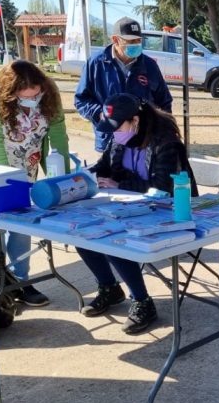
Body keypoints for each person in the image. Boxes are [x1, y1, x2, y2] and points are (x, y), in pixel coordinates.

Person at [76, 93, 193, 334]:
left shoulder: (166, 142)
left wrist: (119, 185)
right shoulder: (120, 139)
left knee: (115, 241)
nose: (114, 133)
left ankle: (142, 301)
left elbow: (162, 187)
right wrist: (85, 176)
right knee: (81, 234)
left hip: (166, 211)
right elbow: (103, 167)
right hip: (129, 208)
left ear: (135, 120)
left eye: (117, 127)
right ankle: (109, 288)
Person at [0, 59, 71, 307]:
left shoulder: (49, 89)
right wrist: (3, 182)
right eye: (25, 97)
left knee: (21, 221)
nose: (32, 100)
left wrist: (62, 178)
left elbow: (58, 133)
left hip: (25, 159)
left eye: (36, 95)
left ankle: (21, 281)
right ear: (10, 92)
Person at [74, 16, 173, 153]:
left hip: (144, 141)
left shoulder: (149, 65)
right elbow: (81, 100)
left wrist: (162, 132)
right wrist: (100, 113)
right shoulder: (96, 64)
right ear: (115, 40)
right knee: (109, 174)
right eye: (131, 41)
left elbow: (164, 101)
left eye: (139, 40)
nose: (136, 45)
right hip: (109, 140)